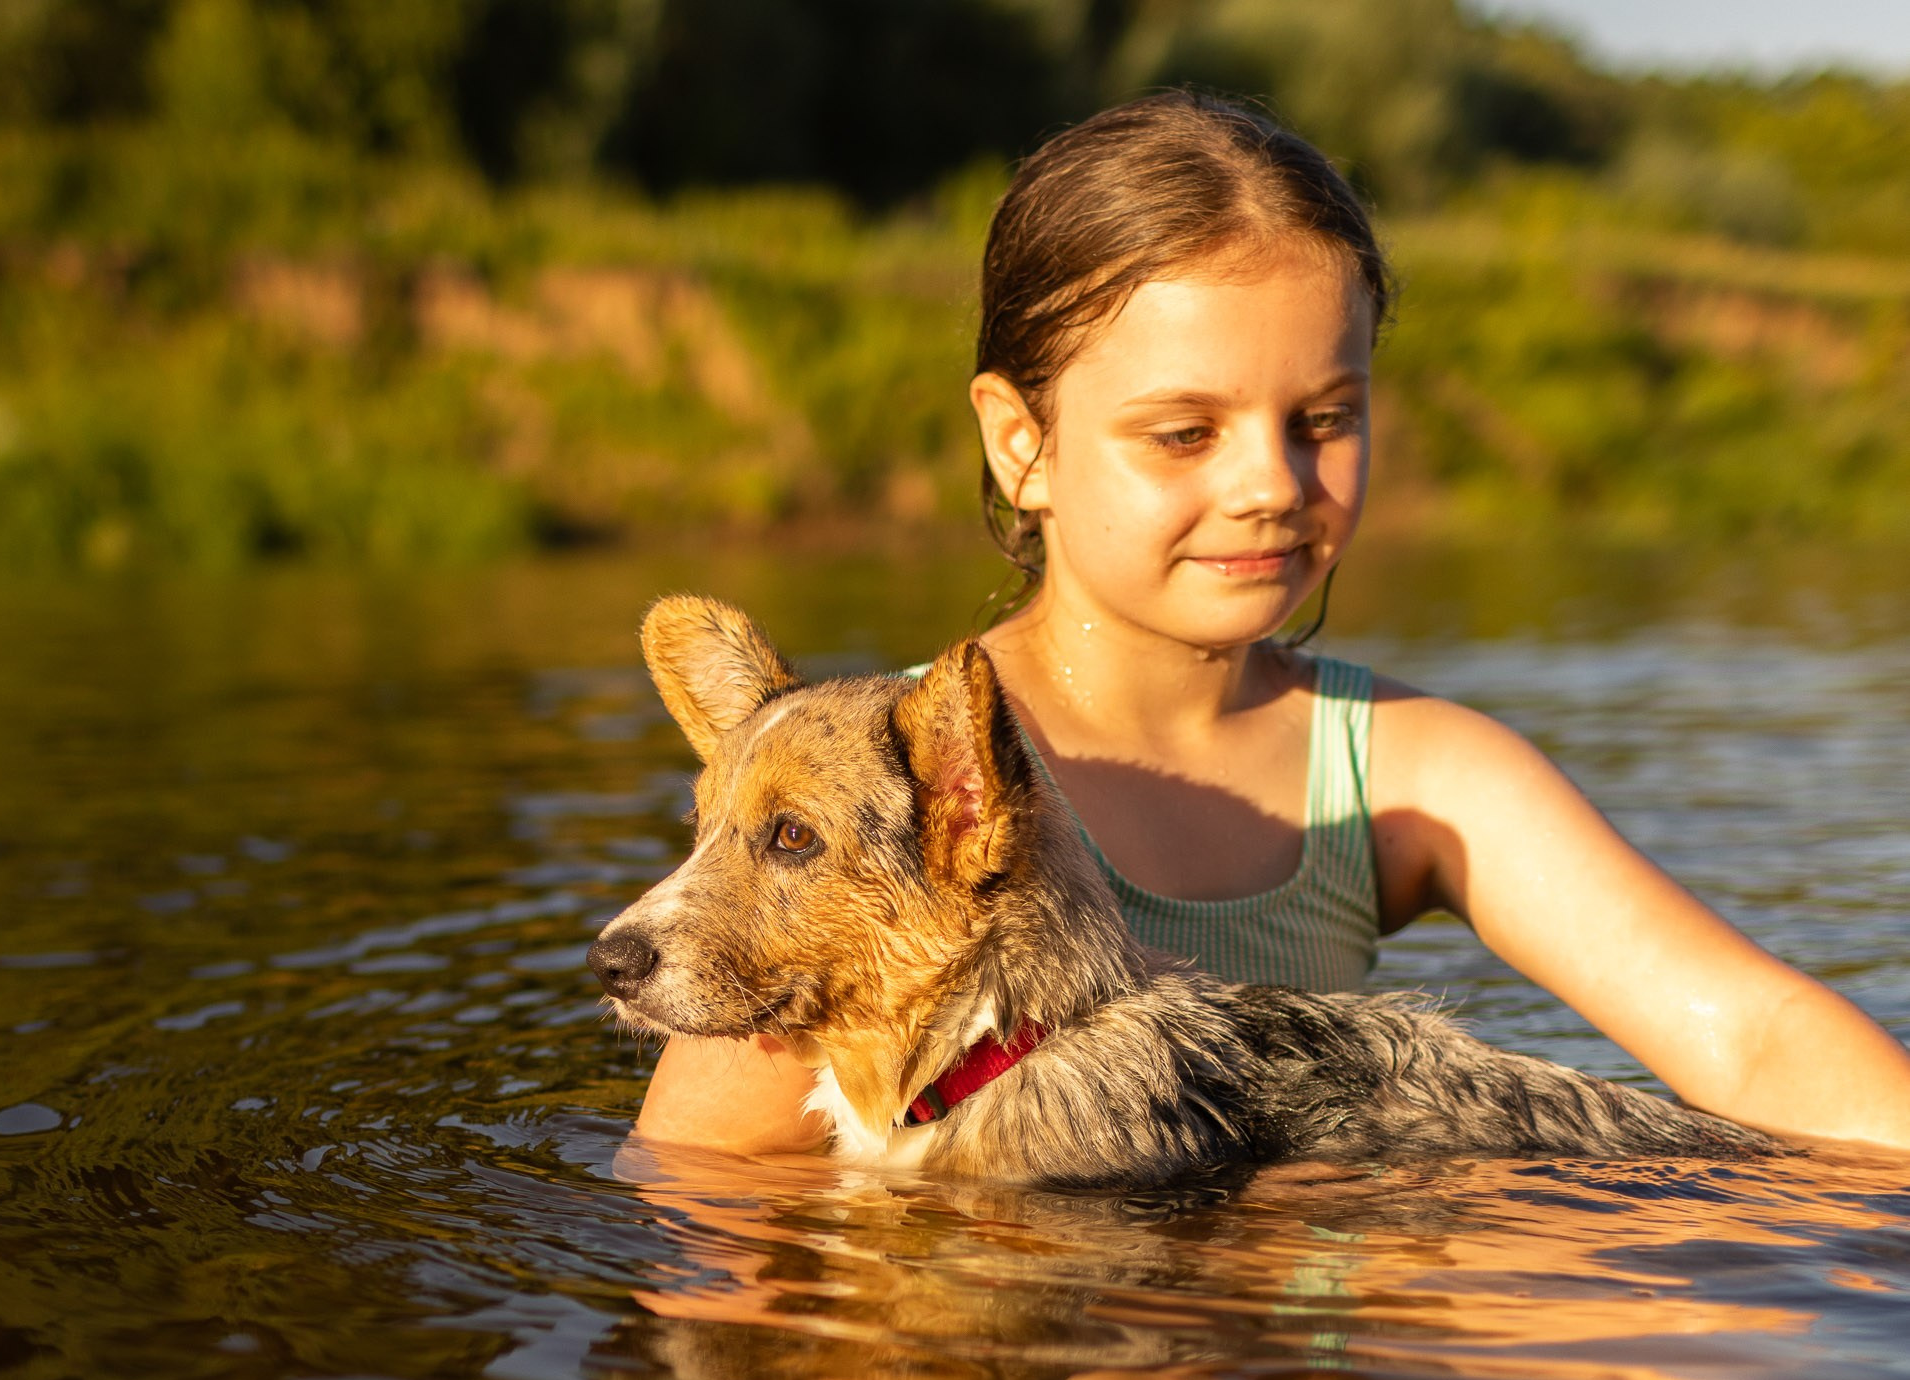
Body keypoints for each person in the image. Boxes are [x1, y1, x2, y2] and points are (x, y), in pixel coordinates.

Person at [635, 91, 1910, 1156]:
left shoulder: (1411, 768)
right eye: (1183, 431)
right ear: (1022, 442)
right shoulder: (879, 800)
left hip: (1311, 1378)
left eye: (1323, 418)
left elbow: (1752, 1039)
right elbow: (705, 1206)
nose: (1269, 483)